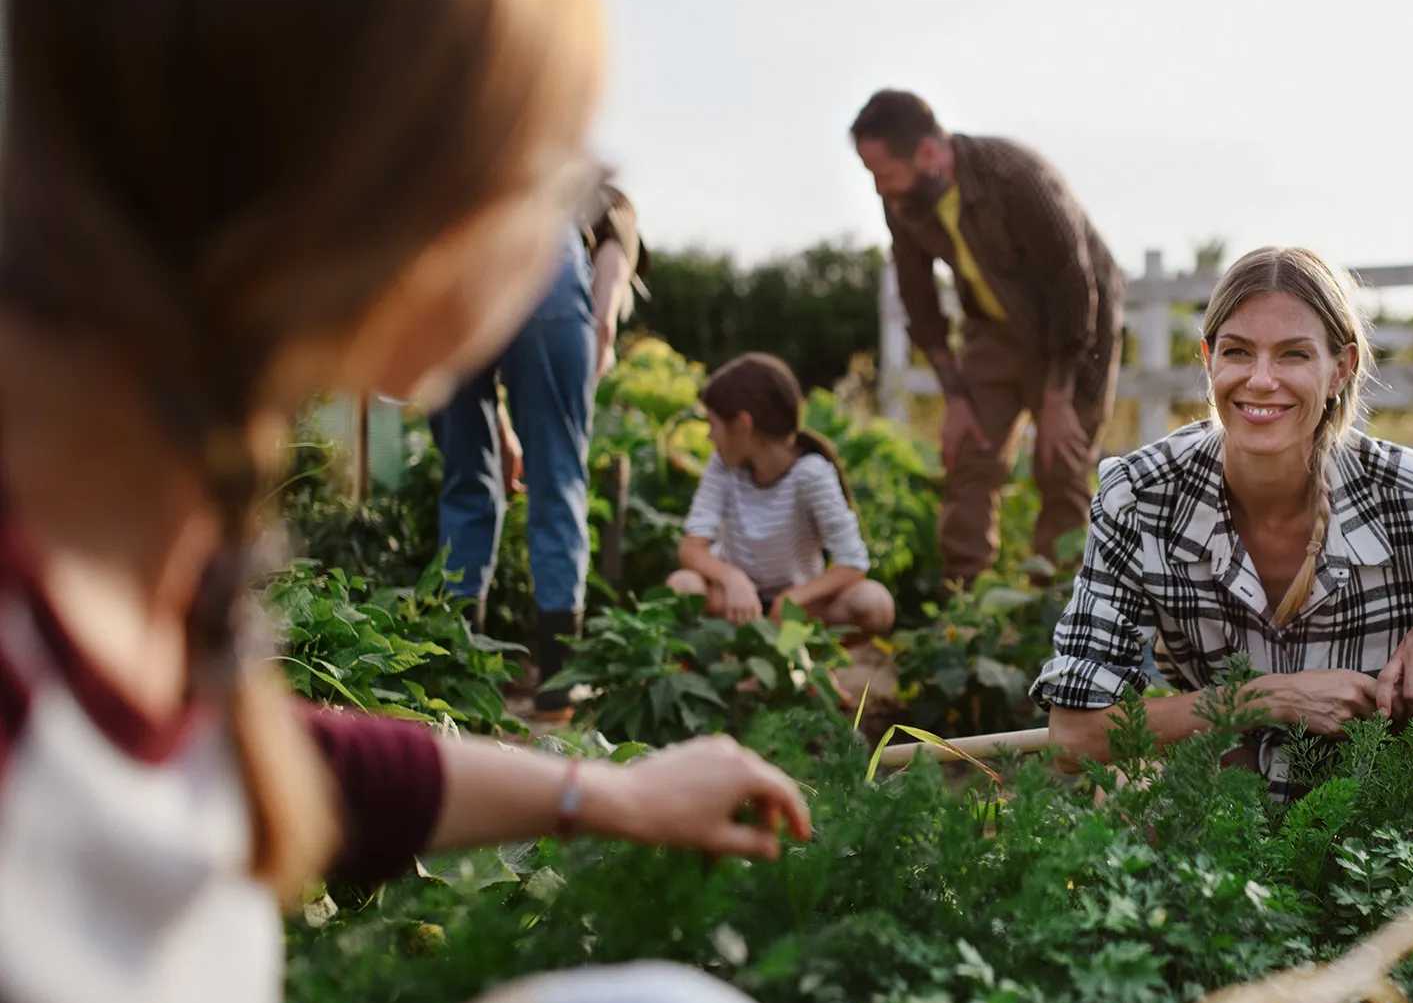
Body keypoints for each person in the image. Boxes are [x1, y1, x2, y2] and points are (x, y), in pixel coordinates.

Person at [0, 0, 816, 1003]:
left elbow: (239, 756)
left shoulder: (140, 512)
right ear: (419, 200)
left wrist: (597, 793)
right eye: (548, 165)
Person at [1031, 247, 1413, 798]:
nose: (1261, 379)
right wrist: (1264, 697)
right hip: (1230, 781)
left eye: (1293, 354)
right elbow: (1070, 737)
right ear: (1209, 359)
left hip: (1395, 785)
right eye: (1238, 351)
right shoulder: (1140, 497)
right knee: (1134, 794)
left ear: (1341, 368)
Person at [851, 88, 1123, 587]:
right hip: (993, 332)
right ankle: (965, 604)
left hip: (1073, 331)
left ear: (929, 155)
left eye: (885, 174)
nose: (880, 190)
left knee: (1061, 465)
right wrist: (954, 396)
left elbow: (1072, 284)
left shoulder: (1016, 176)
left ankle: (1059, 605)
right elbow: (918, 298)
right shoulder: (905, 202)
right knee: (969, 456)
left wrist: (1059, 396)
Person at [430, 181, 647, 717]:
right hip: (544, 263)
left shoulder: (450, 150)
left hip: (448, 267)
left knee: (467, 483)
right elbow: (616, 214)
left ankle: (461, 678)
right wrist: (605, 315)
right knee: (558, 480)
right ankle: (558, 683)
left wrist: (496, 425)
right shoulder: (561, 170)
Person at [668, 354, 896, 638]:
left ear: (742, 424)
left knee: (874, 603)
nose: (710, 436)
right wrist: (732, 578)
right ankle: (722, 663)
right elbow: (691, 548)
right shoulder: (723, 466)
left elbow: (852, 562)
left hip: (796, 610)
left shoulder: (811, 474)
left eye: (713, 424)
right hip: (736, 605)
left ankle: (808, 660)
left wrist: (793, 598)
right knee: (683, 586)